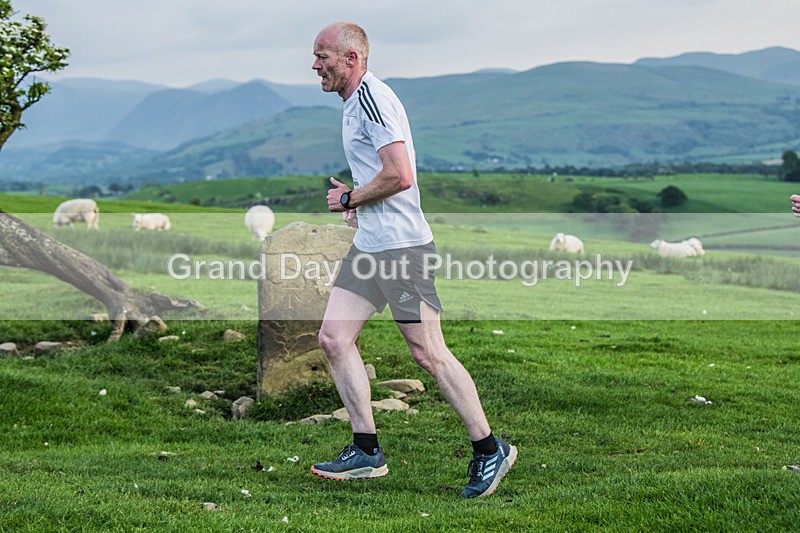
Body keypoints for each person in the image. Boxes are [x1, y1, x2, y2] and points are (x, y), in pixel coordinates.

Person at [308, 21, 517, 498]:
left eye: (323, 56)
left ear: (352, 59)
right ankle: (366, 449)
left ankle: (490, 450)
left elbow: (400, 175)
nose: (315, 65)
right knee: (334, 337)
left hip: (402, 249)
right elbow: (385, 175)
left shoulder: (370, 99)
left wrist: (349, 200)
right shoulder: (352, 101)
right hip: (372, 247)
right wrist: (358, 202)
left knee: (428, 353)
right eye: (315, 55)